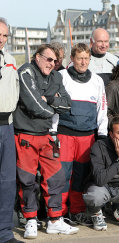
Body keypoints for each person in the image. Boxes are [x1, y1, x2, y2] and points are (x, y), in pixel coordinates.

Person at [13, 44, 78, 238]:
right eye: (48, 59)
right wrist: (51, 105)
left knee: (56, 178)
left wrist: (47, 98)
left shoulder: (57, 76)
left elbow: (67, 105)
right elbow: (33, 104)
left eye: (55, 61)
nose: (52, 63)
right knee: (27, 180)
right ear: (37, 57)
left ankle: (55, 220)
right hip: (25, 135)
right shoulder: (26, 71)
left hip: (47, 135)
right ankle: (30, 220)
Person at [51, 43, 108, 225]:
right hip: (65, 135)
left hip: (87, 136)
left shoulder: (97, 81)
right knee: (62, 175)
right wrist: (53, 132)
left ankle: (76, 211)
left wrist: (102, 133)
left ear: (89, 60)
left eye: (86, 58)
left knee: (80, 176)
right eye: (79, 58)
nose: (83, 62)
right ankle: (58, 213)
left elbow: (102, 109)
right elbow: (54, 107)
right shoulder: (61, 77)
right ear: (72, 59)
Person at [0, 17, 22, 243]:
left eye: (5, 35)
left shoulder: (10, 60)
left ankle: (4, 233)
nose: (1, 39)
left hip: (6, 127)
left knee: (7, 183)